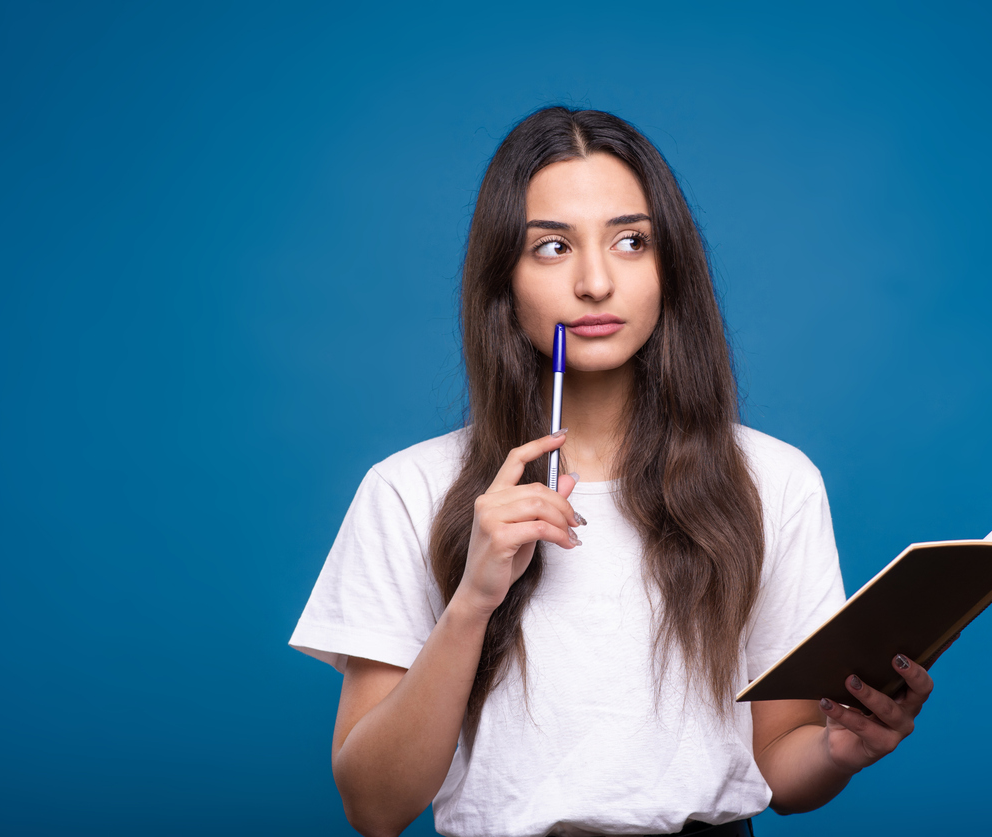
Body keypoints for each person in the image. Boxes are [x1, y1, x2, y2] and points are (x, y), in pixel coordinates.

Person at [289, 107, 939, 837]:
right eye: (553, 247)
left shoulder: (774, 481)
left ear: (670, 269)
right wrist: (473, 598)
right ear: (503, 276)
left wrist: (838, 748)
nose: (596, 281)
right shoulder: (409, 491)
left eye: (631, 241)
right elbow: (373, 808)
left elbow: (780, 771)